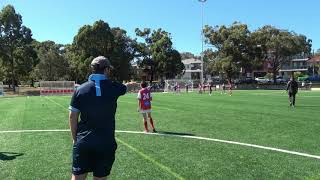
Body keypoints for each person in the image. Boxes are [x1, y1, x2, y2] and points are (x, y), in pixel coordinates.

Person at [69, 56, 127, 180]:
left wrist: (75, 139)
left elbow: (72, 116)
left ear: (92, 69)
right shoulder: (115, 87)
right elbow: (125, 87)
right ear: (106, 70)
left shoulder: (80, 90)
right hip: (106, 143)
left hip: (83, 142)